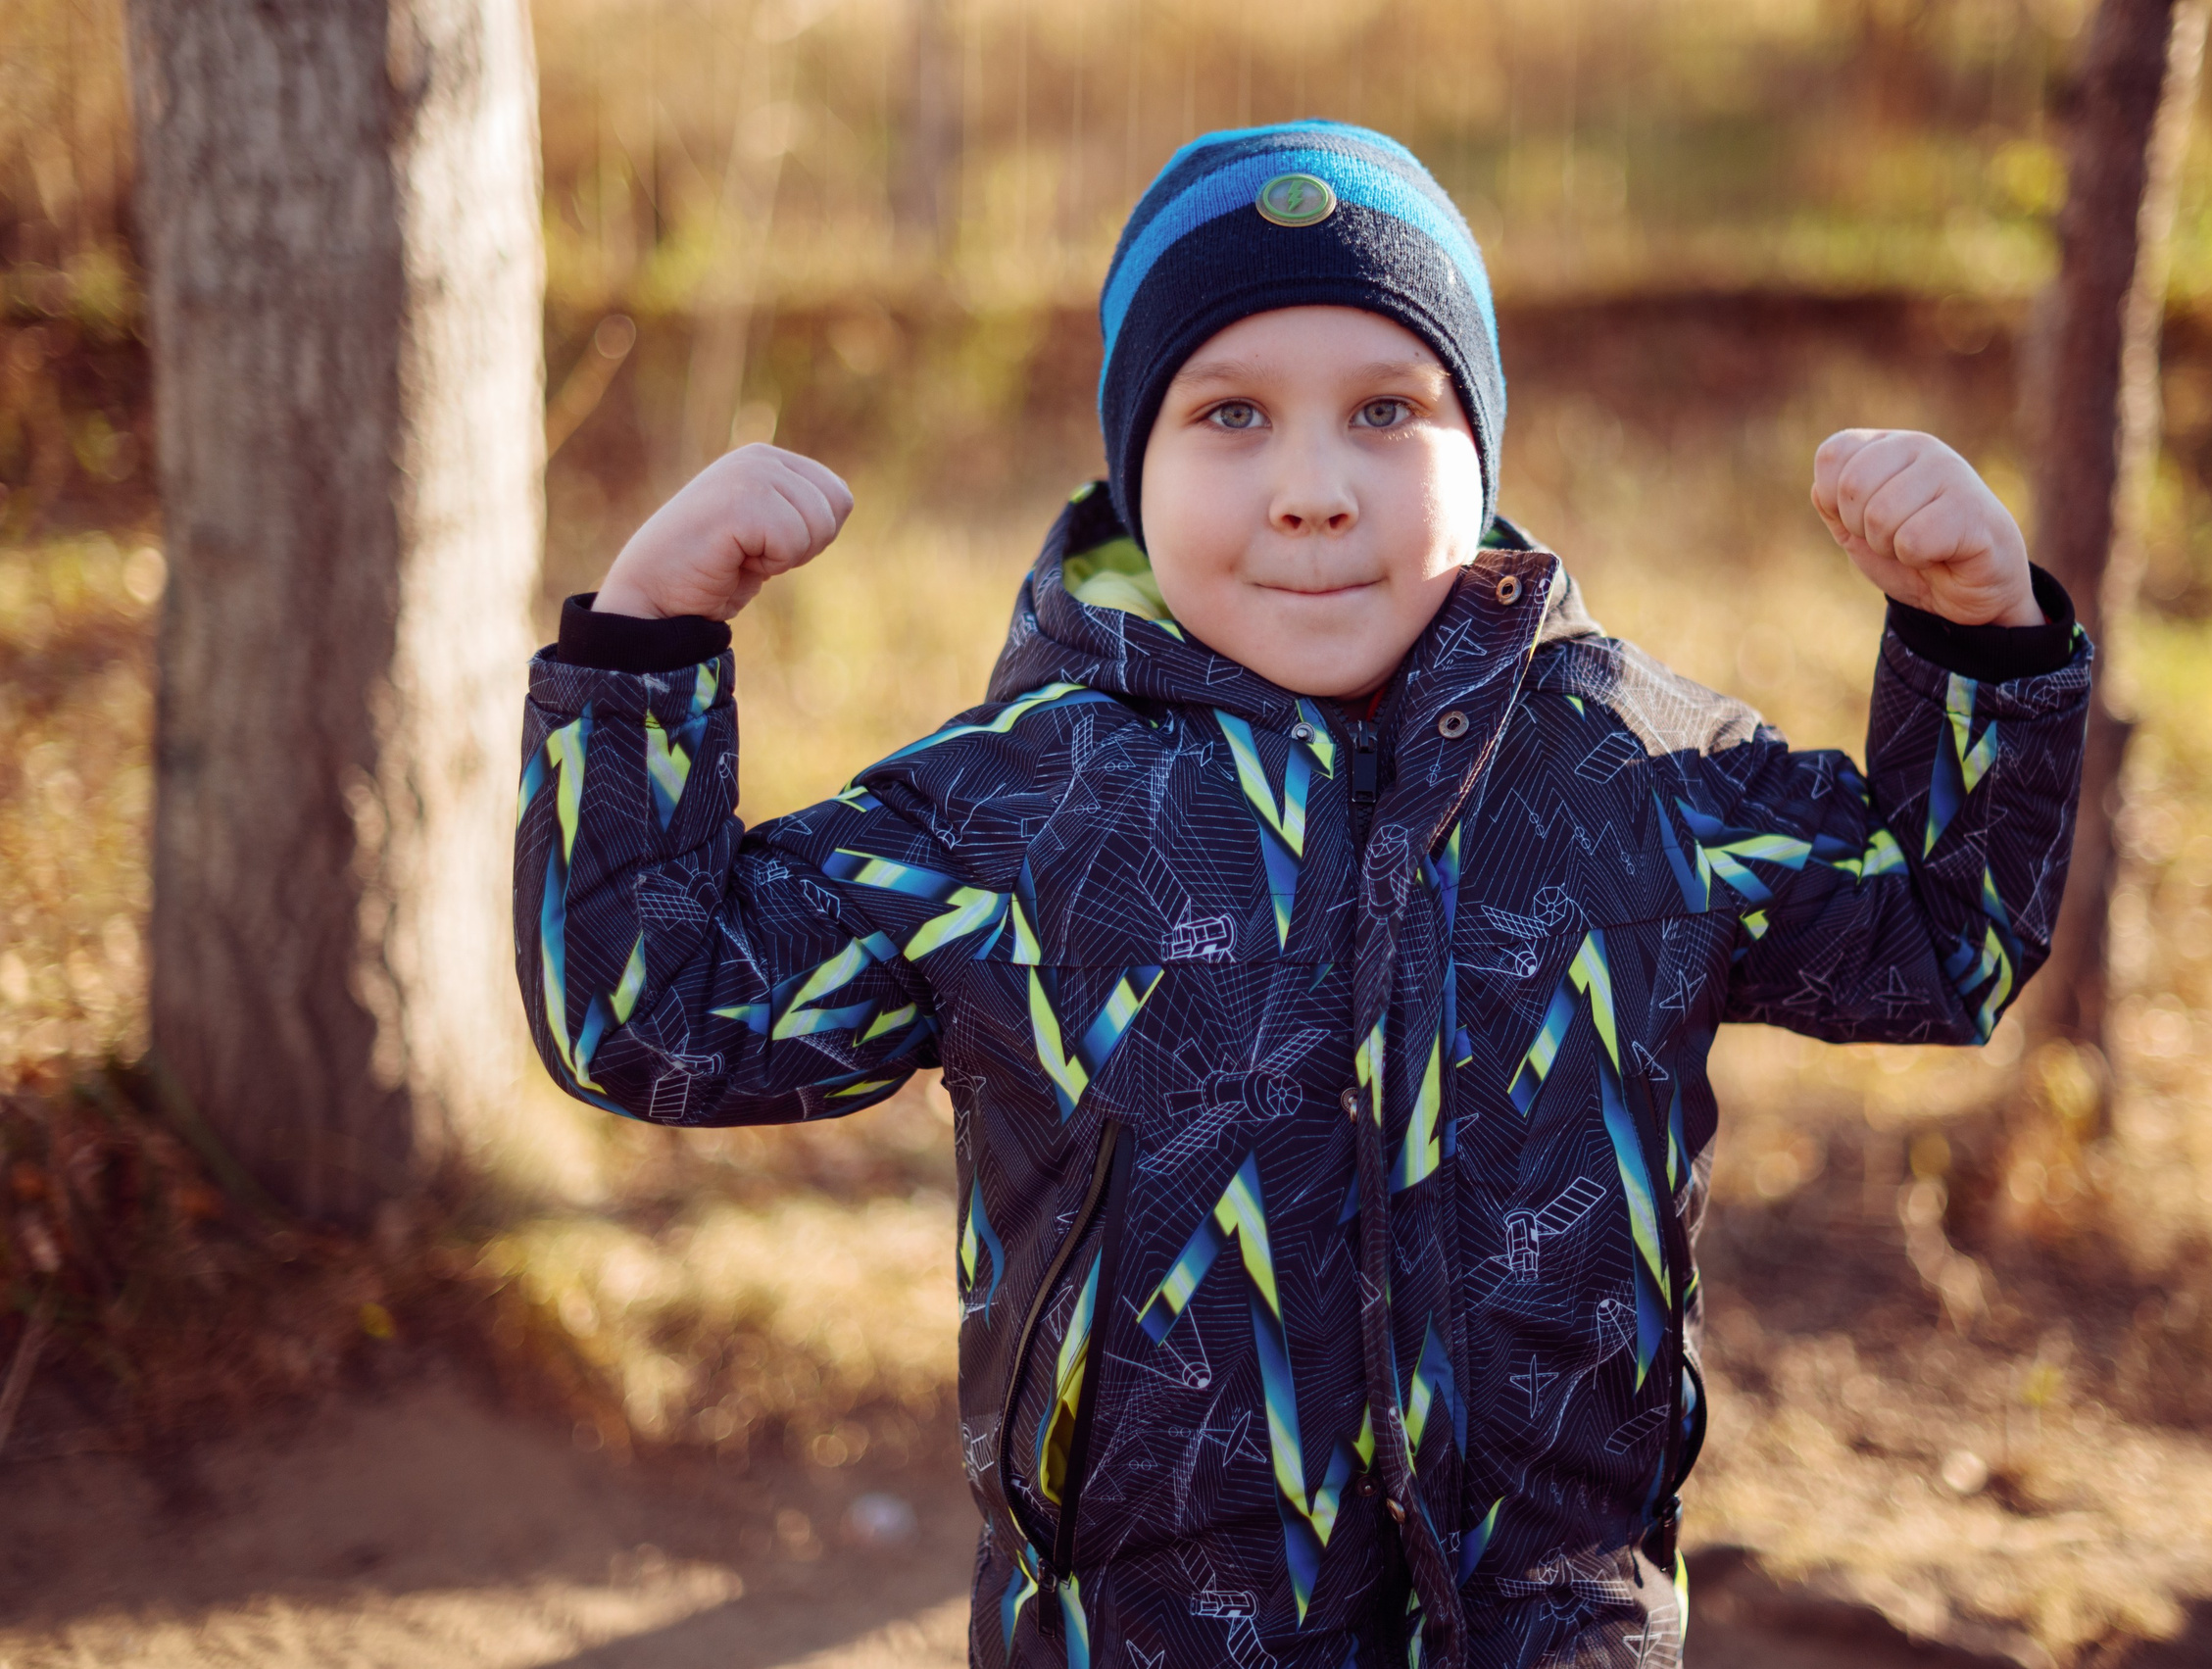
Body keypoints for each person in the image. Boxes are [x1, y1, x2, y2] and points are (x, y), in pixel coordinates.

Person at [516, 122, 2088, 1669]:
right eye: (1233, 417)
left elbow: (1940, 943)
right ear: (1133, 467)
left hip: (1556, 1633)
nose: (1316, 489)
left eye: (1388, 409)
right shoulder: (1019, 807)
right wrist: (649, 649)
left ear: (1484, 444)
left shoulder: (1625, 770)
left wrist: (1977, 643)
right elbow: (657, 1018)